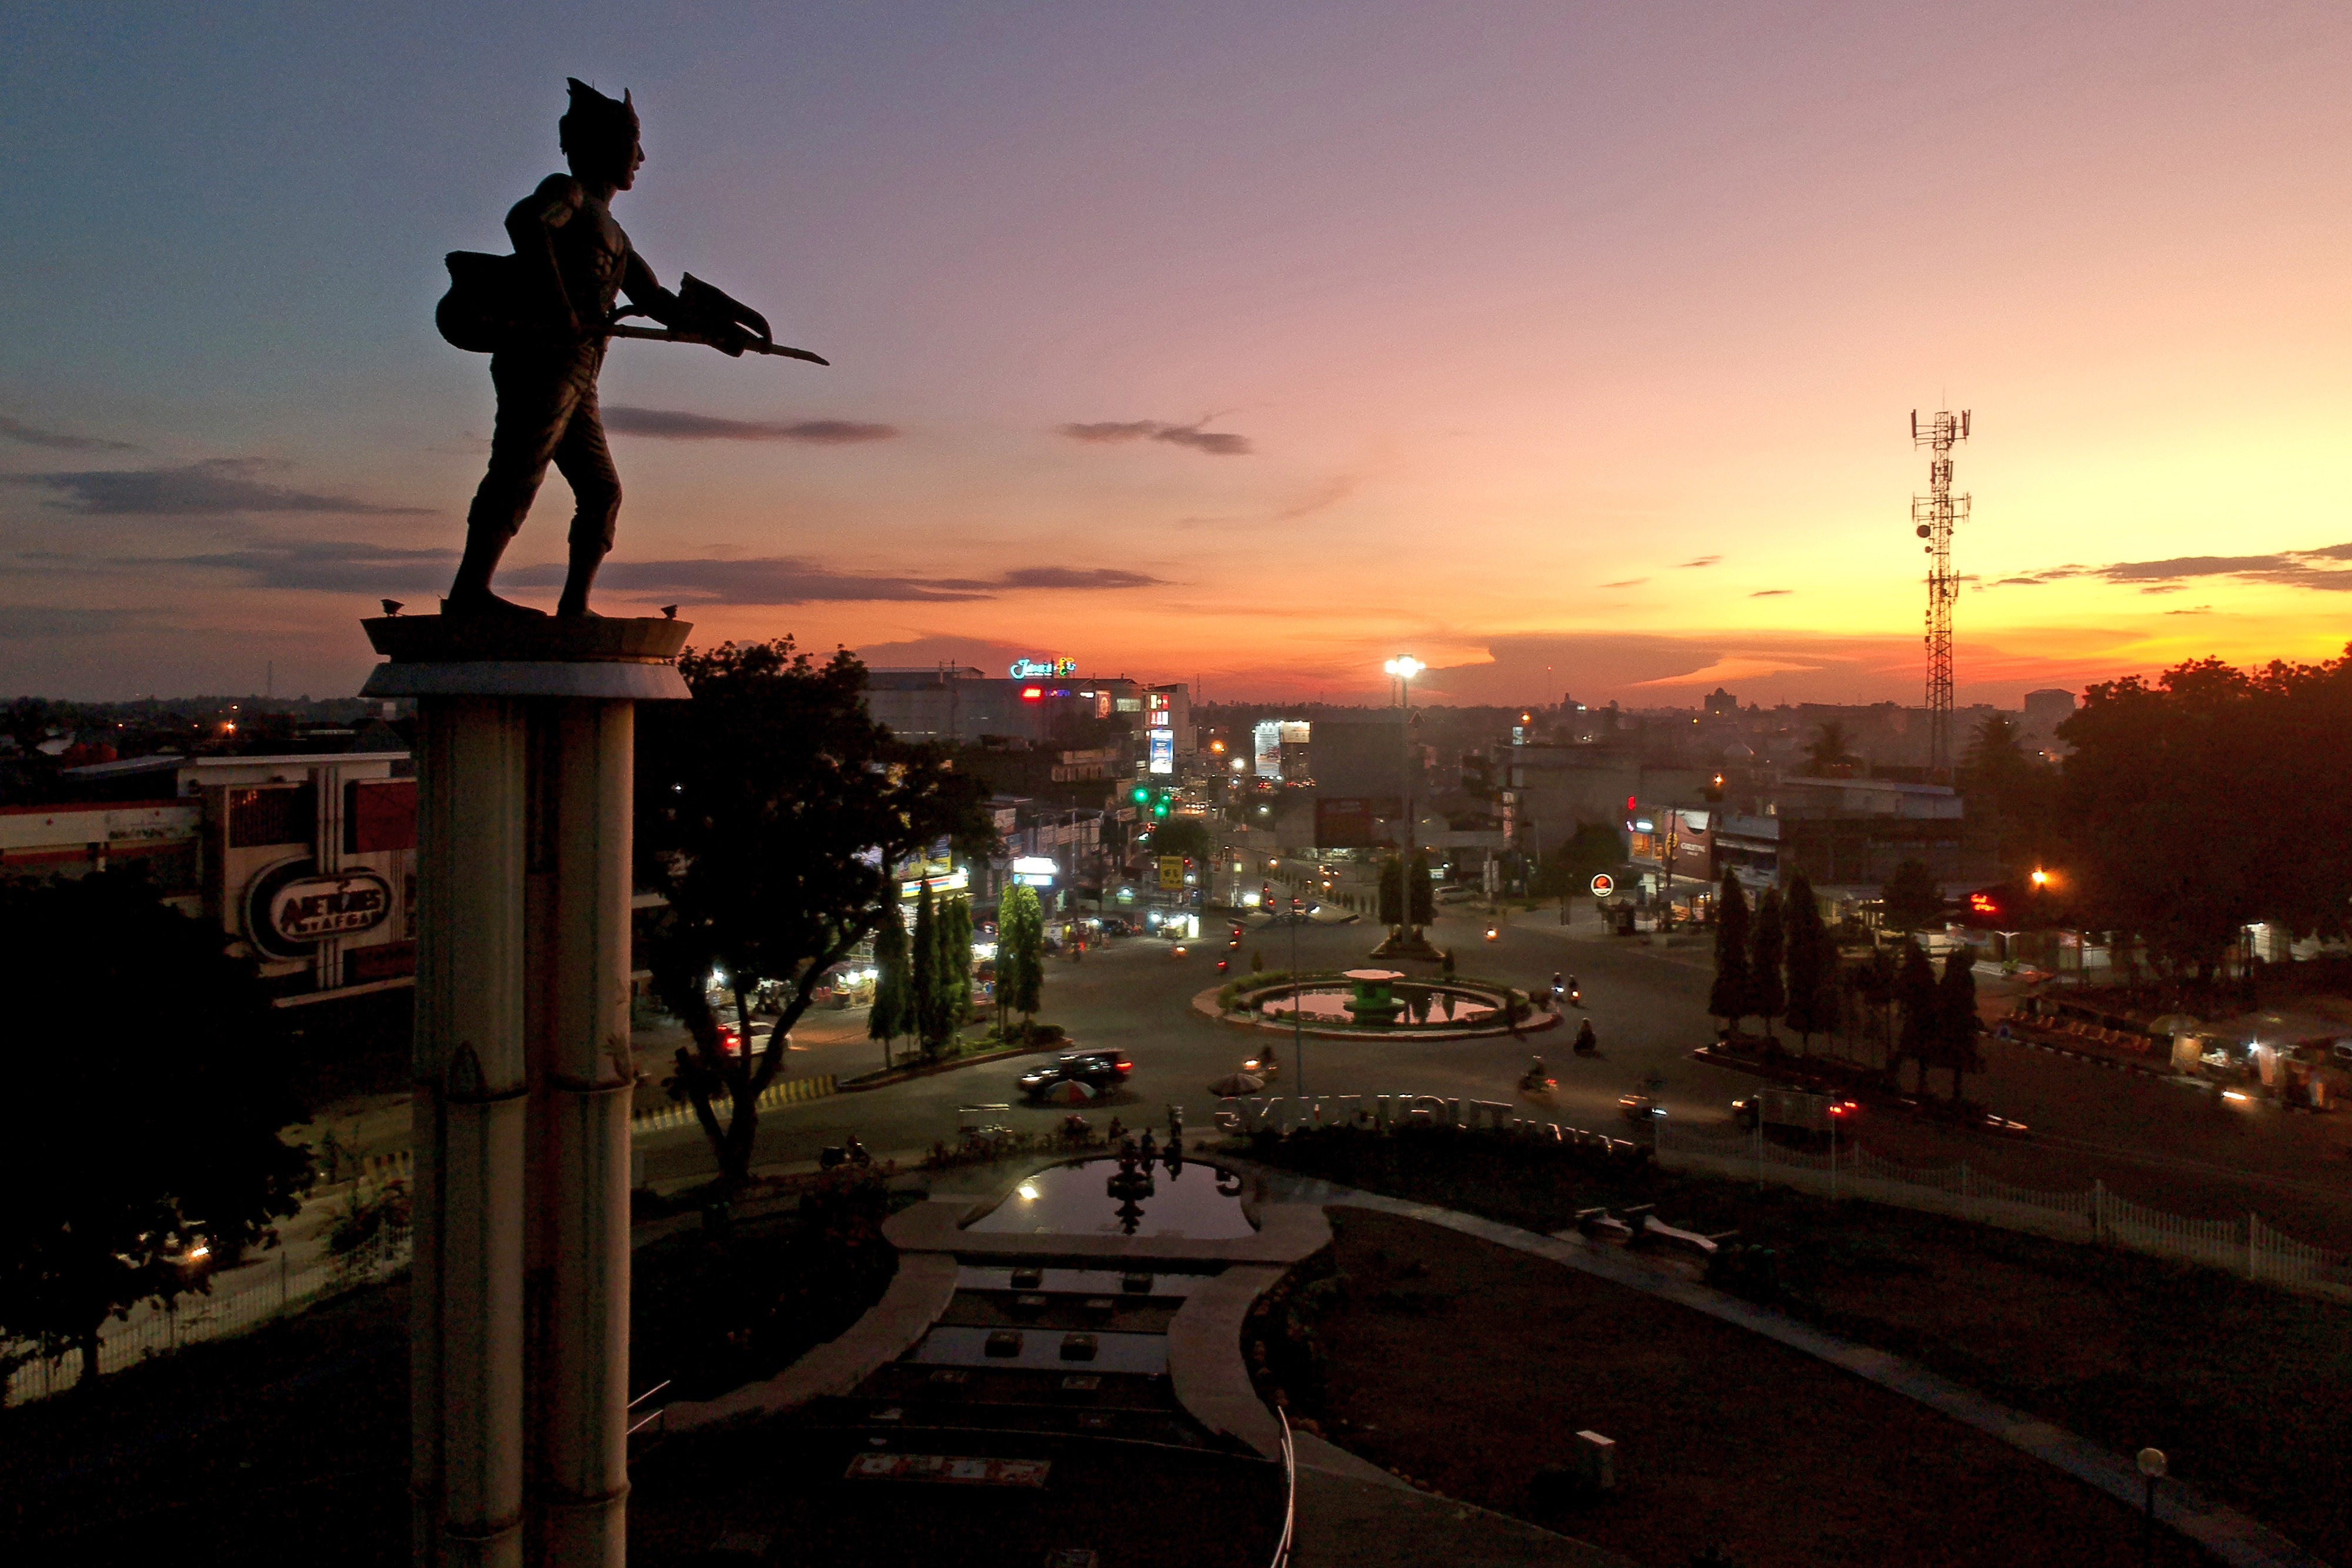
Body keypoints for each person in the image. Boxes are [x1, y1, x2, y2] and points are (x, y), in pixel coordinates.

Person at [448, 80, 756, 618]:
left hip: (581, 371)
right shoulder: (566, 193)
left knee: (602, 491)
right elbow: (526, 222)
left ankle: (576, 606)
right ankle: (471, 593)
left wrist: (719, 329)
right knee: (520, 468)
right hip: (541, 358)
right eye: (631, 141)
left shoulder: (615, 234)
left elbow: (657, 300)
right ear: (599, 143)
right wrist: (561, 307)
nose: (640, 156)